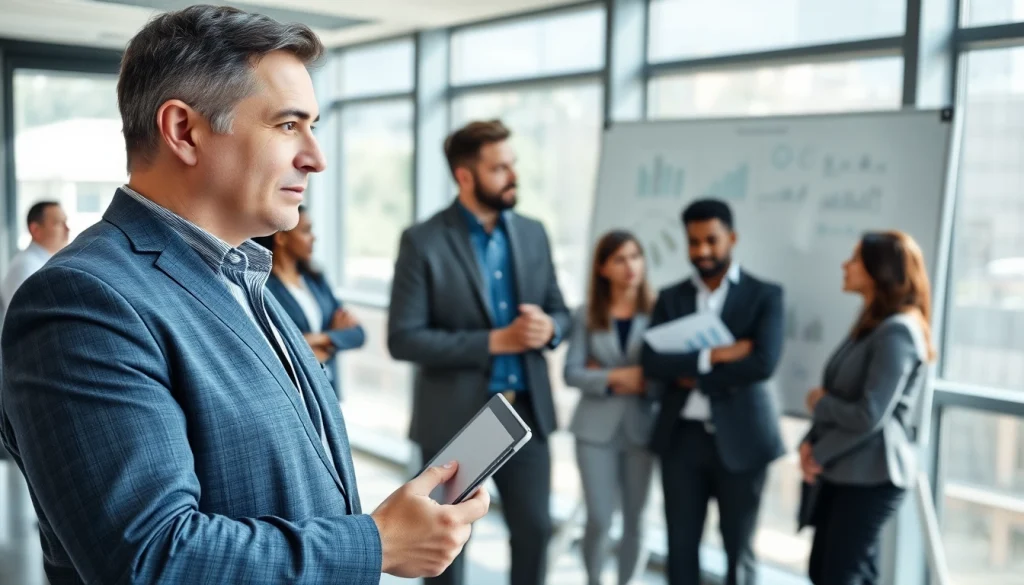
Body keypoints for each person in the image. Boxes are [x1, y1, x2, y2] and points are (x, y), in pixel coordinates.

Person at [0, 6, 487, 585]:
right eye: (288, 125)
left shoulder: (243, 275)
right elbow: (153, 558)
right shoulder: (82, 301)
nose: (315, 157)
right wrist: (376, 543)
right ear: (184, 131)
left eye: (314, 126)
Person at [388, 119, 571, 585]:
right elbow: (404, 337)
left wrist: (550, 327)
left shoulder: (534, 233)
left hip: (525, 413)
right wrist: (495, 341)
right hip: (456, 421)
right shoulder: (422, 240)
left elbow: (560, 311)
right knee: (445, 548)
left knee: (533, 533)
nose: (513, 176)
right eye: (500, 168)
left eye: (513, 165)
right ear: (465, 176)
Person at [641, 198, 786, 585]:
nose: (702, 251)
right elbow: (652, 363)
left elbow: (762, 364)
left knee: (738, 550)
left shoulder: (765, 295)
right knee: (681, 547)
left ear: (732, 238)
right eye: (693, 242)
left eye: (711, 240)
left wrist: (689, 370)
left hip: (744, 438)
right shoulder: (671, 297)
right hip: (681, 439)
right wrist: (714, 356)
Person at [799, 231, 934, 585]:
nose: (845, 265)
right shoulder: (872, 325)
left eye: (855, 258)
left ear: (880, 269)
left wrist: (820, 424)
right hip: (844, 468)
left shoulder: (898, 332)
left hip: (871, 473)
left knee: (840, 575)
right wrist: (810, 443)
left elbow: (868, 415)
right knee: (833, 572)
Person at [564, 230, 657, 585]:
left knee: (636, 519)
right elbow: (571, 372)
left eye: (635, 256)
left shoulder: (659, 312)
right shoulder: (586, 315)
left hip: (641, 428)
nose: (630, 266)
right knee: (600, 517)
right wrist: (619, 376)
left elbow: (664, 372)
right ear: (603, 268)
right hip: (593, 429)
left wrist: (601, 372)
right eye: (619, 258)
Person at [254, 206, 365, 393]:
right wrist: (333, 338)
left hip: (328, 389)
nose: (314, 237)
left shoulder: (316, 280)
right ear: (281, 238)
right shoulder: (263, 288)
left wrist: (316, 339)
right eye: (306, 231)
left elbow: (357, 334)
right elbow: (275, 349)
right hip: (294, 392)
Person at [0, 201, 69, 313]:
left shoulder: (42, 262)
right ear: (35, 229)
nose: (67, 229)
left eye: (66, 222)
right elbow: (24, 316)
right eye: (58, 223)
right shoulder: (25, 267)